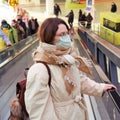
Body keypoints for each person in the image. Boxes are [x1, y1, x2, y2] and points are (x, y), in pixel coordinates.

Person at [25, 18, 117, 120]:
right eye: (61, 34)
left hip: (76, 114)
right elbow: (39, 111)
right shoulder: (40, 69)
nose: (67, 37)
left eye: (67, 33)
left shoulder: (68, 59)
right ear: (49, 38)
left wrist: (100, 88)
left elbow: (78, 81)